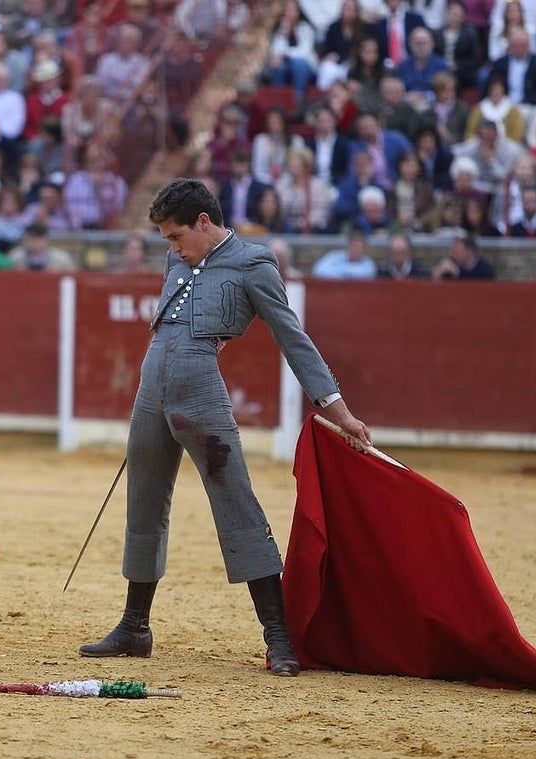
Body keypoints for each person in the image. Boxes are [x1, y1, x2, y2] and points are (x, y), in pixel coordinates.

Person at [78, 178, 371, 676]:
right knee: (143, 501)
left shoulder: (255, 264)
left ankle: (278, 638)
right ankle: (134, 626)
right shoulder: (179, 260)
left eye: (176, 237)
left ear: (204, 222)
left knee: (237, 504)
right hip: (152, 387)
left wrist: (336, 407)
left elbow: (292, 337)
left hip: (201, 394)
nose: (171, 249)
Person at [7, 221, 76, 271]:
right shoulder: (14, 257)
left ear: (46, 240)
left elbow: (73, 277)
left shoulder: (62, 258)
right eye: (30, 238)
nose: (34, 242)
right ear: (25, 240)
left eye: (37, 239)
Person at [311, 229, 378, 279]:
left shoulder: (369, 264)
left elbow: (361, 277)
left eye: (359, 248)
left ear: (365, 250)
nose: (355, 250)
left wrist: (338, 275)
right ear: (348, 247)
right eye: (353, 246)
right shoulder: (333, 256)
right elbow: (319, 270)